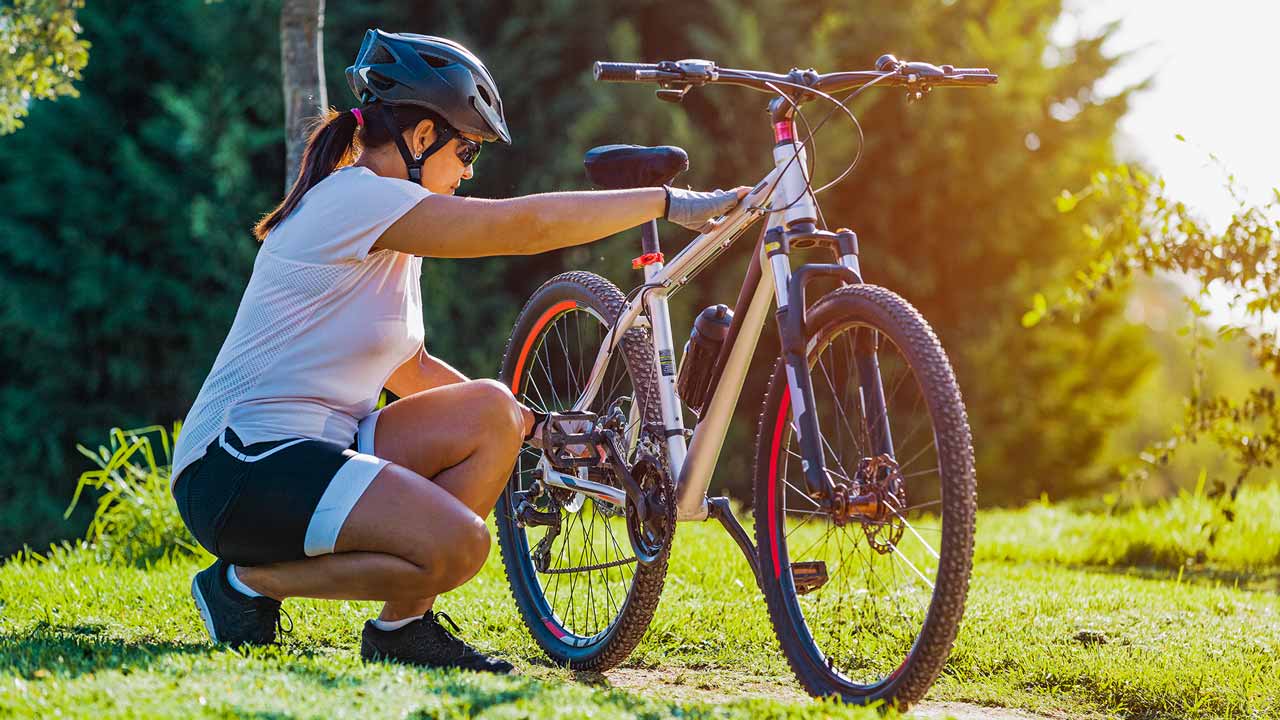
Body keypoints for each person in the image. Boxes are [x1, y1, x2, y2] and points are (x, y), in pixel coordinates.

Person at [169, 29, 745, 674]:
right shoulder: (356, 199)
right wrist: (669, 204)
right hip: (236, 468)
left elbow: (406, 370)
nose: (469, 172)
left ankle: (401, 628)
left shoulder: (388, 225)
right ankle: (245, 585)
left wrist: (531, 428)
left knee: (493, 410)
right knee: (461, 547)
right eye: (466, 149)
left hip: (316, 448)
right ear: (420, 138)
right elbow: (522, 227)